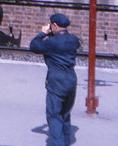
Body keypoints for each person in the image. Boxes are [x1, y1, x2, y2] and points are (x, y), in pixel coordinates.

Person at [29, 13, 80, 146]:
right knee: (65, 114)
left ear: (54, 25)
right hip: (71, 80)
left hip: (57, 82)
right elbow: (62, 42)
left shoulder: (51, 42)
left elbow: (34, 46)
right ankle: (66, 142)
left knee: (54, 116)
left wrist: (42, 33)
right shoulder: (74, 40)